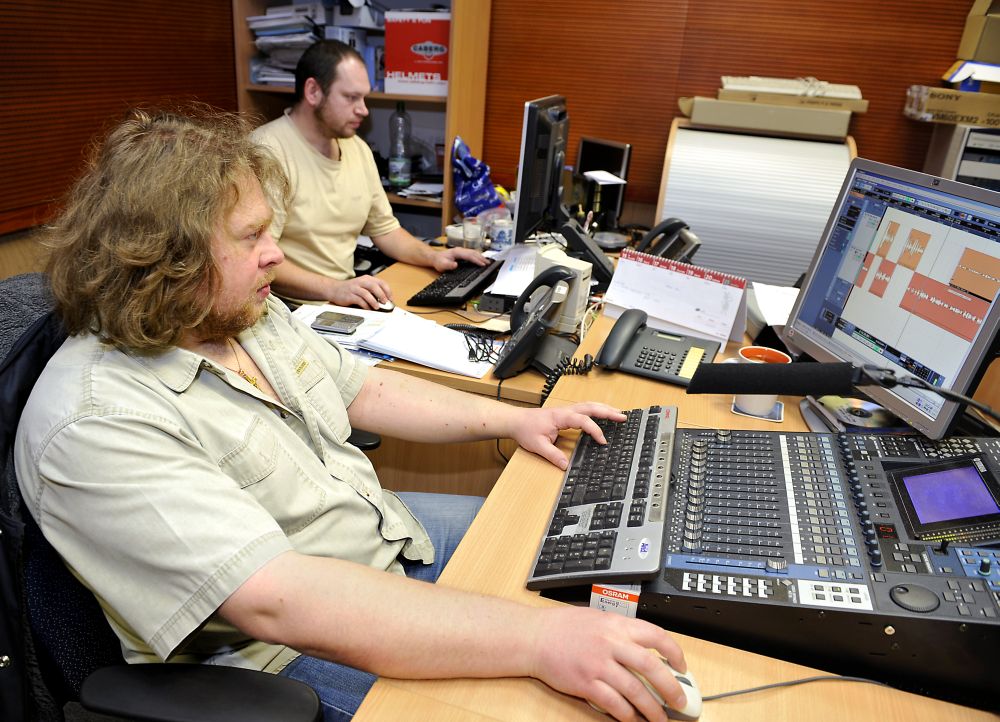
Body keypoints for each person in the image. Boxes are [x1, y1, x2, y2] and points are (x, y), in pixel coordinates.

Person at [15, 107, 688, 722]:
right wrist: (540, 640)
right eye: (251, 237)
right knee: (557, 697)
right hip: (282, 652)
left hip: (380, 535)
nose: (276, 254)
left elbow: (362, 389)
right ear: (166, 258)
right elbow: (280, 599)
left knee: (582, 548)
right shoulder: (96, 421)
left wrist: (511, 422)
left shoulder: (236, 313)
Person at [251, 40, 486, 310]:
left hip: (341, 299)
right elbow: (258, 258)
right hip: (290, 308)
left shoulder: (357, 148)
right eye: (351, 98)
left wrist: (433, 257)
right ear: (313, 91)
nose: (364, 110)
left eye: (363, 98)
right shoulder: (266, 151)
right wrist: (334, 289)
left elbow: (385, 230)